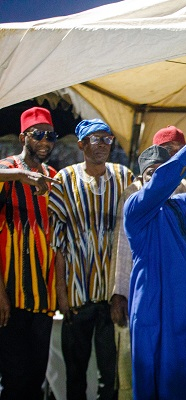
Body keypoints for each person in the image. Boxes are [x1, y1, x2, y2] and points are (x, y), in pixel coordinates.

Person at [108, 126, 186, 399]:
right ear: (141, 179)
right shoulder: (135, 207)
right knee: (157, 380)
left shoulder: (182, 204)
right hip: (155, 308)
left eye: (161, 171)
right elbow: (161, 184)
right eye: (150, 174)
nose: (156, 180)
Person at [50, 118, 134, 400]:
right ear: (81, 144)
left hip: (111, 297)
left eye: (107, 138)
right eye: (95, 139)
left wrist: (122, 292)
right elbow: (58, 243)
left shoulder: (124, 177)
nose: (102, 144)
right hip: (77, 295)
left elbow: (130, 237)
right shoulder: (64, 179)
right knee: (75, 375)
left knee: (110, 378)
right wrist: (62, 296)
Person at [0, 107, 59, 399]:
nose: (45, 142)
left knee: (35, 379)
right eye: (38, 135)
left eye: (50, 136)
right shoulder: (8, 170)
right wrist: (20, 175)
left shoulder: (53, 176)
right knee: (13, 380)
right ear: (24, 136)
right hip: (10, 294)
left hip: (43, 298)